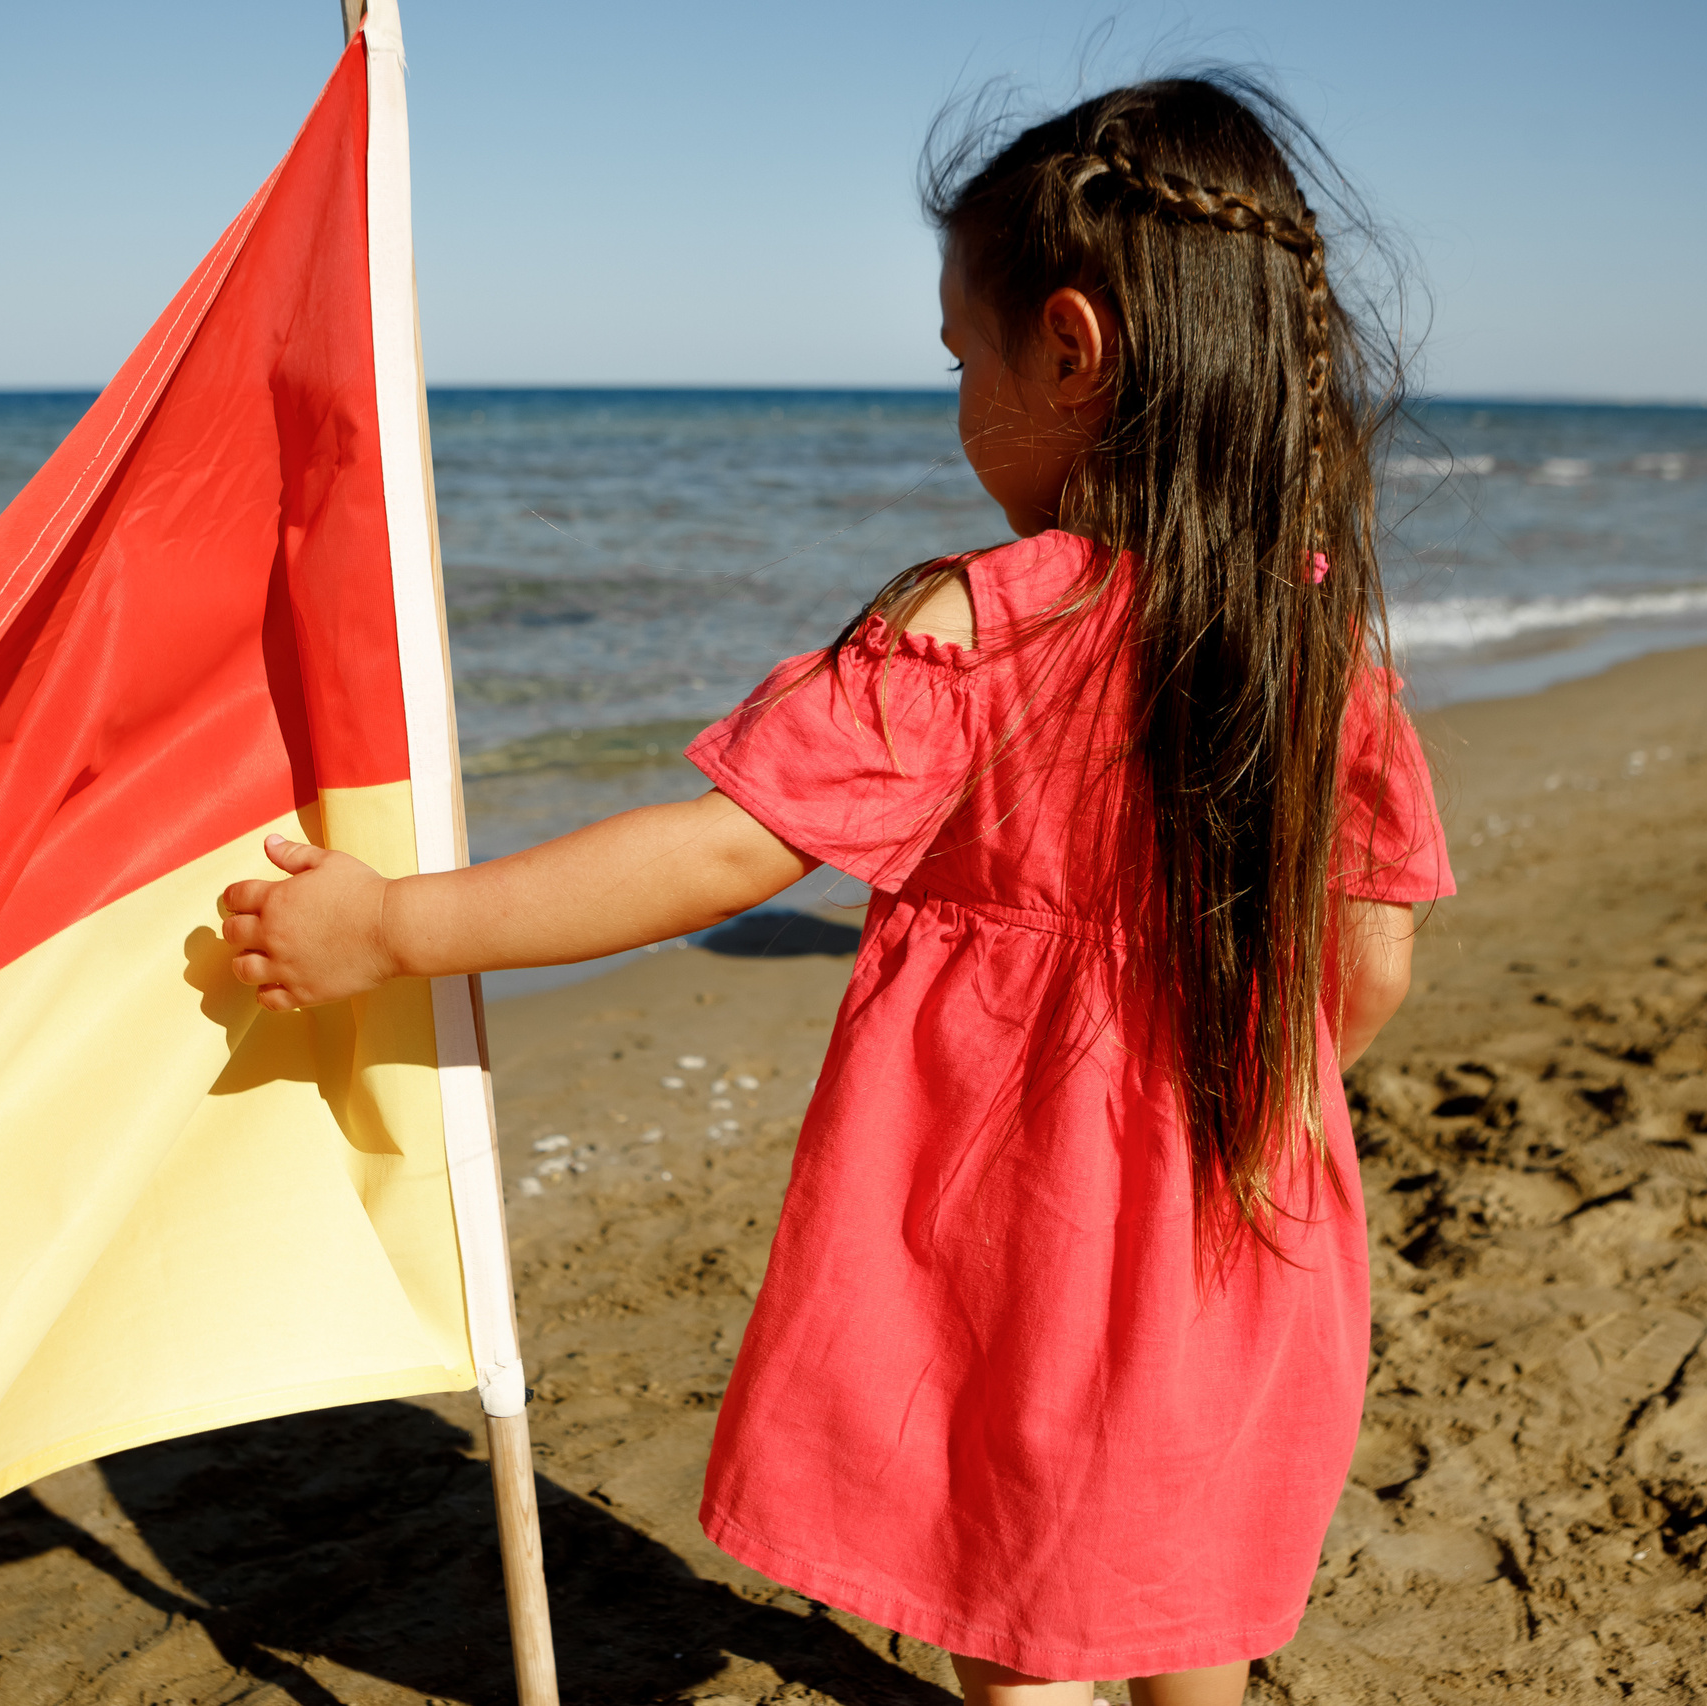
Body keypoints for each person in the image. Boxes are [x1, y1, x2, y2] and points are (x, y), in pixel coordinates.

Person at [221, 73, 1453, 1706]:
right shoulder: (1323, 642)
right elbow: (1371, 966)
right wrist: (1236, 1102)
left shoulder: (984, 626)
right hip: (1240, 1204)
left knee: (1015, 1613)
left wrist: (393, 923)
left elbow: (726, 846)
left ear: (1071, 351)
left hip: (1026, 1230)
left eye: (965, 360)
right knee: (1174, 1578)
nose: (959, 402)